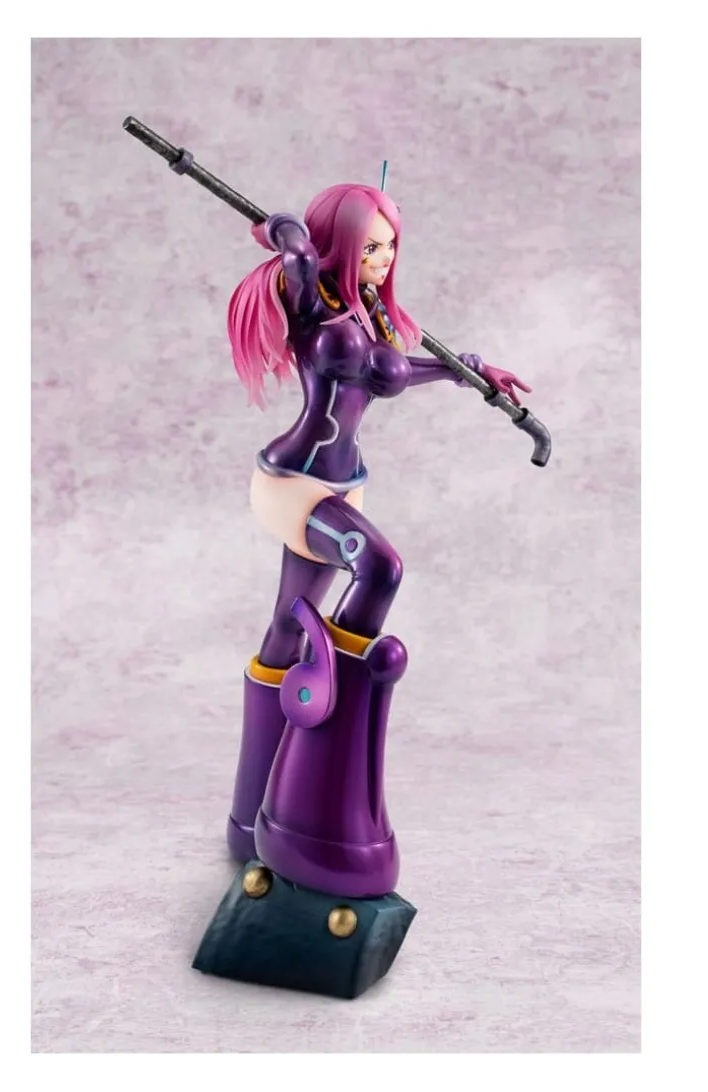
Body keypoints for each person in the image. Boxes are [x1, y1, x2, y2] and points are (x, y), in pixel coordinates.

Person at [225, 183, 531, 862]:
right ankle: (337, 701)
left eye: (390, 246)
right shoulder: (313, 300)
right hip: (294, 483)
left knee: (284, 633)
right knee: (381, 568)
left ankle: (249, 821)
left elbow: (397, 373)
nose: (383, 259)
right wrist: (286, 231)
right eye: (369, 247)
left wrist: (468, 371)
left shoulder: (373, 318)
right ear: (338, 244)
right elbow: (296, 256)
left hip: (344, 486)